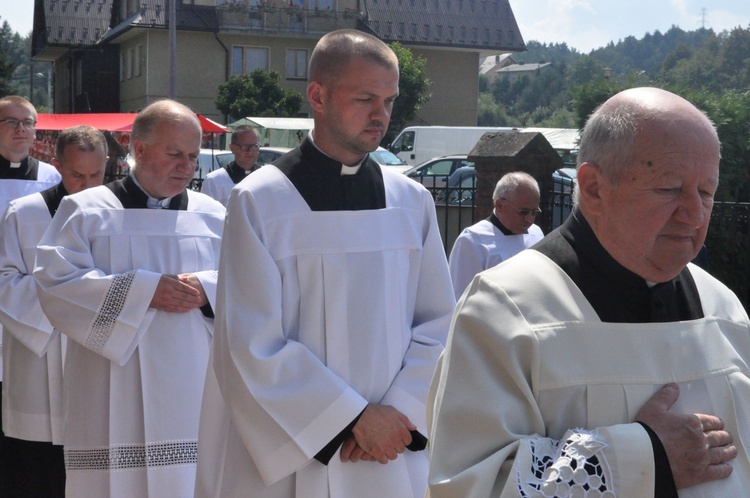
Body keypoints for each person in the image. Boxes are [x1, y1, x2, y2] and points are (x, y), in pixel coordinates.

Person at [427, 87, 748, 497]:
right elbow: (470, 486)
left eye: (706, 192)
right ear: (594, 187)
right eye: (669, 188)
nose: (695, 214)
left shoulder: (724, 310)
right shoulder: (504, 310)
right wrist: (645, 459)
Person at [194, 29, 455, 498]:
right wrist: (349, 420)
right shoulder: (260, 200)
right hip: (298, 449)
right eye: (365, 98)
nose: (381, 115)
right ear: (317, 95)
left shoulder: (410, 201)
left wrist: (399, 413)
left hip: (391, 448)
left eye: (390, 101)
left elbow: (438, 322)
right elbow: (248, 341)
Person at [33, 100, 225, 498]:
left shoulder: (213, 215)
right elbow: (55, 285)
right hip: (110, 385)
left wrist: (207, 287)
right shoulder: (85, 211)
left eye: (192, 155)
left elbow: (249, 283)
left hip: (194, 386)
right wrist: (144, 291)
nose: (186, 166)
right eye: (174, 153)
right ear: (139, 149)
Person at [0, 125, 108, 497]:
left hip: (97, 350)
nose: (88, 186)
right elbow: (4, 280)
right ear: (58, 165)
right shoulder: (25, 213)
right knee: (35, 469)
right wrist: (67, 301)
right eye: (78, 175)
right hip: (39, 353)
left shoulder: (118, 215)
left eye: (97, 175)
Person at [0, 95, 61, 494]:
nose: (21, 129)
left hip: (25, 296)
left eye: (28, 122)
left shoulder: (53, 177)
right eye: (11, 121)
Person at [448, 171, 544, 300]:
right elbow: (460, 297)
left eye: (534, 212)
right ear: (500, 205)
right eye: (523, 212)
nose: (530, 219)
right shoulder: (473, 240)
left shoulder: (536, 234)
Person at [200, 126, 262, 206]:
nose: (250, 151)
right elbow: (206, 213)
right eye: (245, 147)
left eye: (254, 146)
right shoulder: (214, 180)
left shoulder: (266, 177)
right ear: (232, 148)